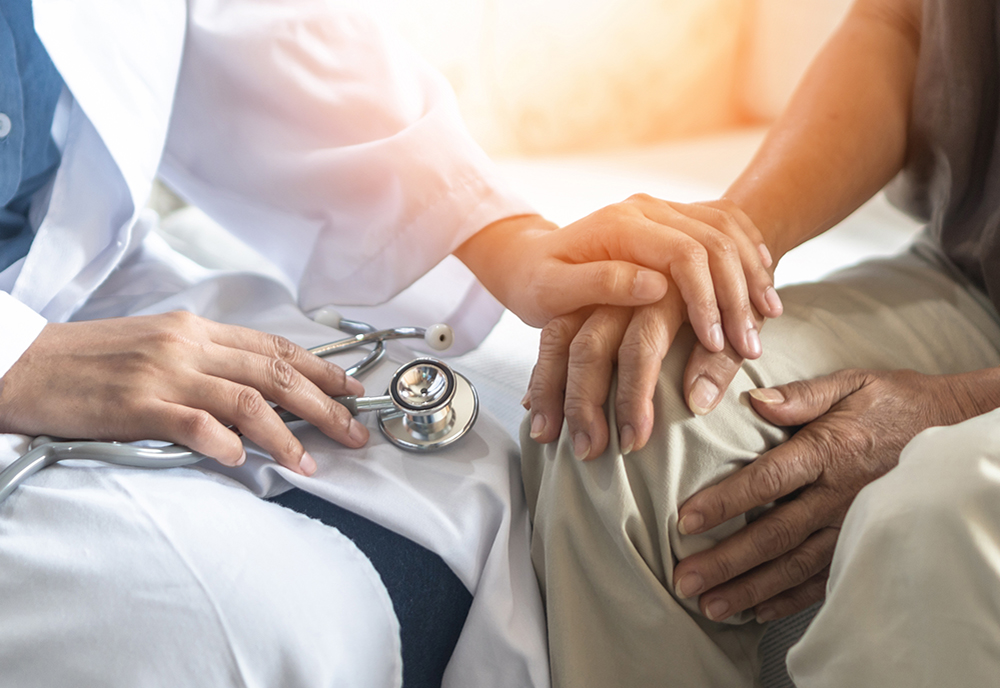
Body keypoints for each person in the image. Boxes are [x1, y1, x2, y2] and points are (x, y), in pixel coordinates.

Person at [0, 0, 785, 686]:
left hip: (77, 273)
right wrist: (21, 360)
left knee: (512, 460)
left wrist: (501, 236)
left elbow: (251, 22)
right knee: (240, 628)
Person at [522, 0, 1000, 685]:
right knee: (631, 411)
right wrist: (729, 249)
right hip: (973, 274)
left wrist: (958, 407)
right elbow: (896, 26)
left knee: (935, 519)